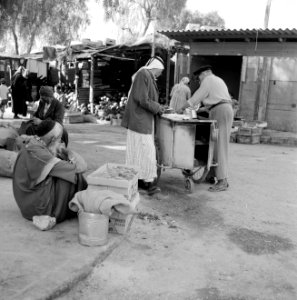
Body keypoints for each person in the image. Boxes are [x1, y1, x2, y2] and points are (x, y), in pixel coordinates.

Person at [13, 119, 88, 231]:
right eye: (59, 139)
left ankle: (78, 204)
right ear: (53, 139)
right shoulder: (39, 153)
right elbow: (82, 167)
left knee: (65, 170)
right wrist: (67, 151)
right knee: (72, 177)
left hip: (26, 200)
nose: (61, 142)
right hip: (36, 208)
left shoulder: (34, 142)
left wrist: (61, 150)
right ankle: (76, 207)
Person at [177, 65, 233, 192]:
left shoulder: (208, 80)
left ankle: (222, 180)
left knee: (219, 145)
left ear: (204, 74)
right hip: (221, 109)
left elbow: (195, 99)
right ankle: (212, 175)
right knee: (213, 143)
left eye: (199, 78)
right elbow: (212, 102)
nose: (199, 81)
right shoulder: (218, 80)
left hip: (220, 111)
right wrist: (200, 109)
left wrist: (181, 108)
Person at [121, 56, 165, 196]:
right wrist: (158, 107)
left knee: (139, 152)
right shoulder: (143, 74)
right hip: (139, 121)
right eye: (160, 71)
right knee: (146, 152)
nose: (160, 74)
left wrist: (158, 107)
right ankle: (149, 183)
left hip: (142, 121)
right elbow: (142, 99)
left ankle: (140, 180)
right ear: (155, 68)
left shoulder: (147, 75)